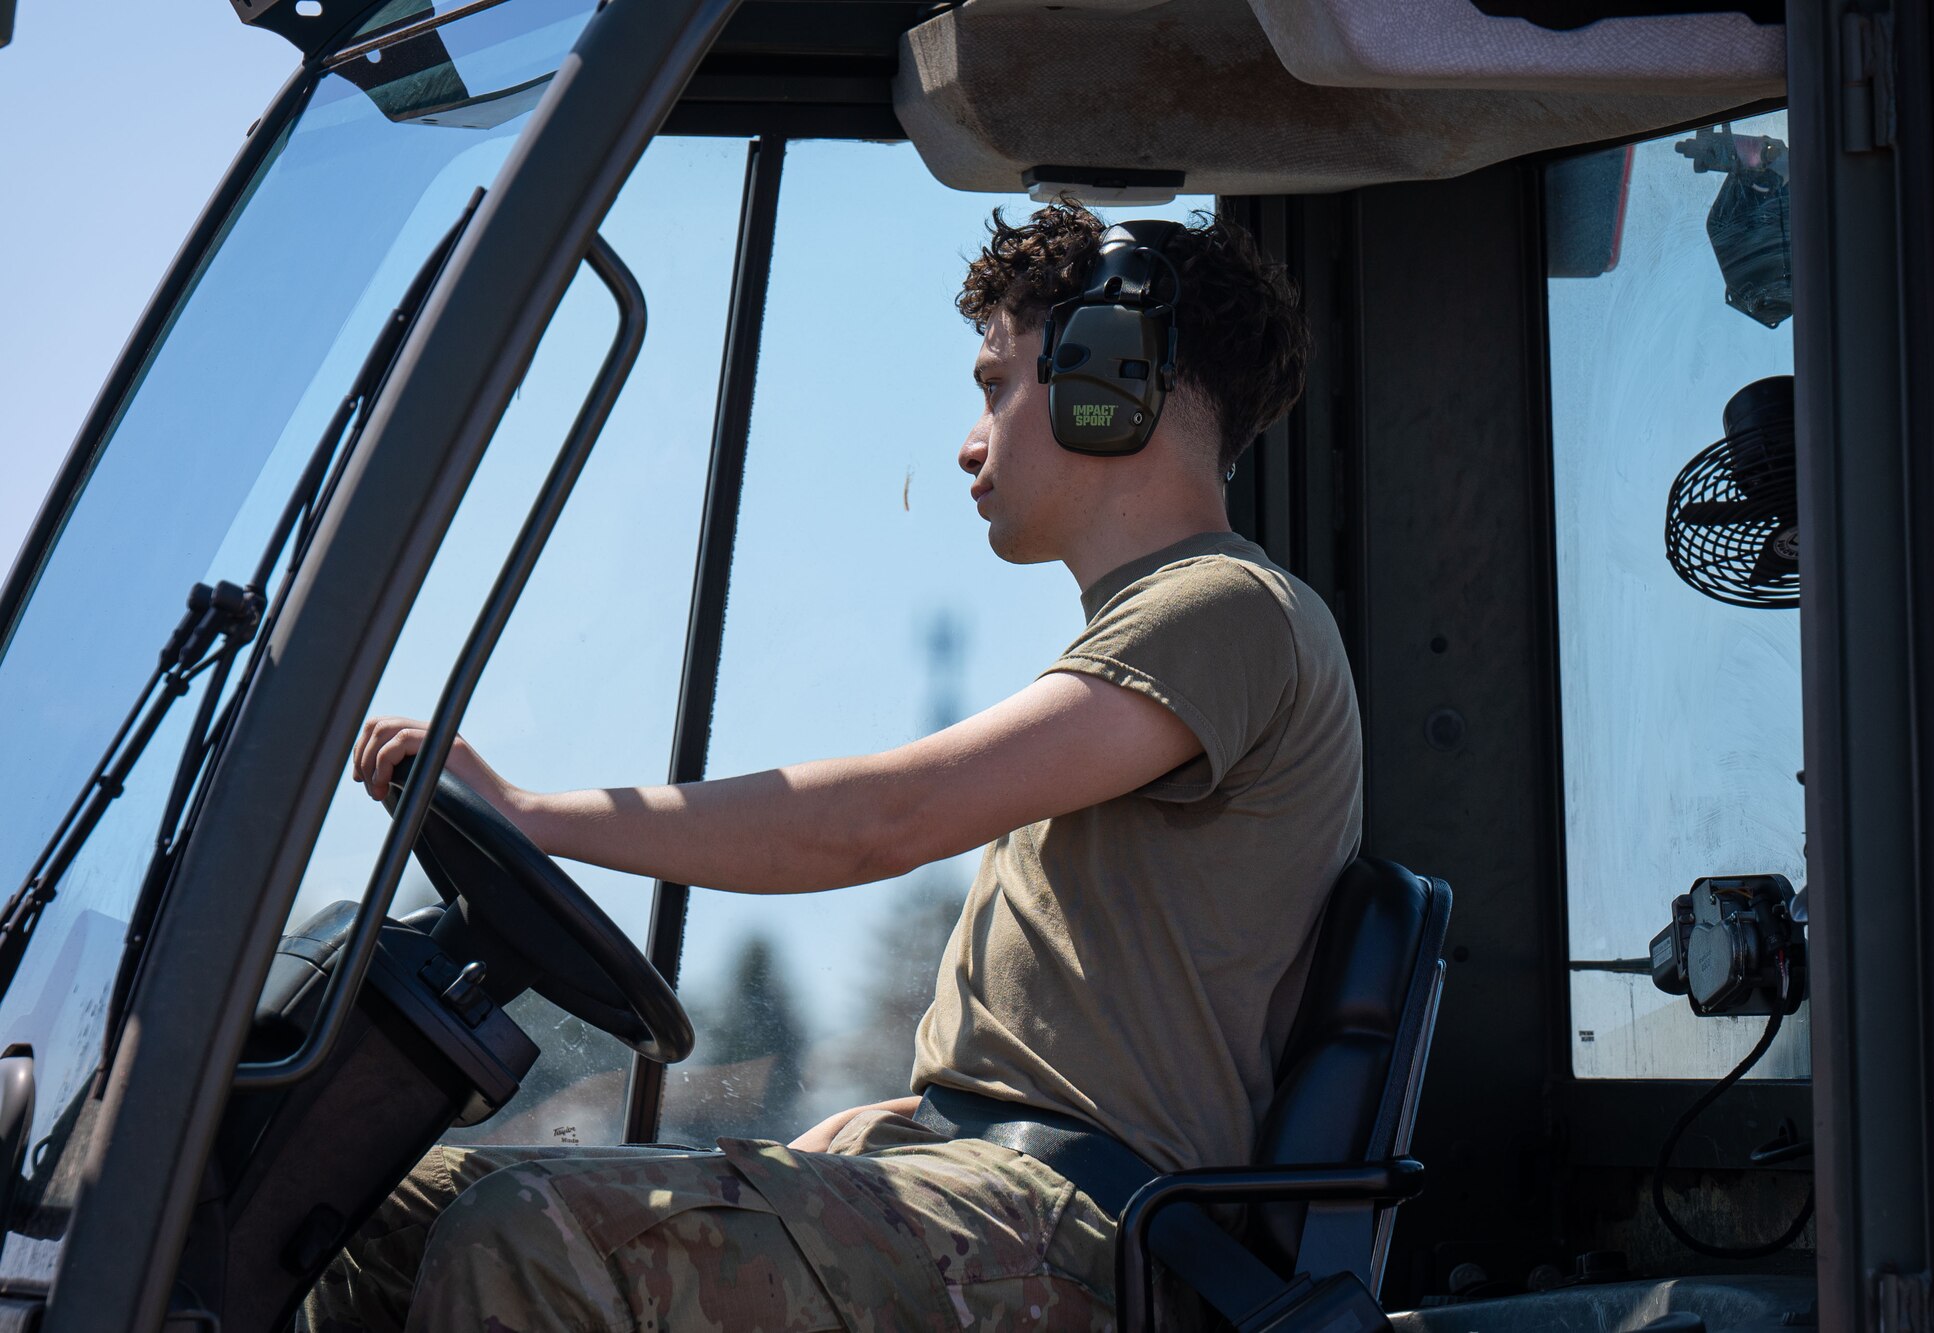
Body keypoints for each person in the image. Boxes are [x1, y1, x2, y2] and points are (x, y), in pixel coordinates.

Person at [301, 202, 1360, 1332]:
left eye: (996, 384)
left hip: (1078, 1237)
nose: (969, 439)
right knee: (356, 1210)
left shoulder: (1225, 609)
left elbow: (882, 821)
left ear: (1112, 376)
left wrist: (535, 815)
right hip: (999, 1200)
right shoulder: (1168, 634)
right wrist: (863, 1138)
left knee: (528, 1234)